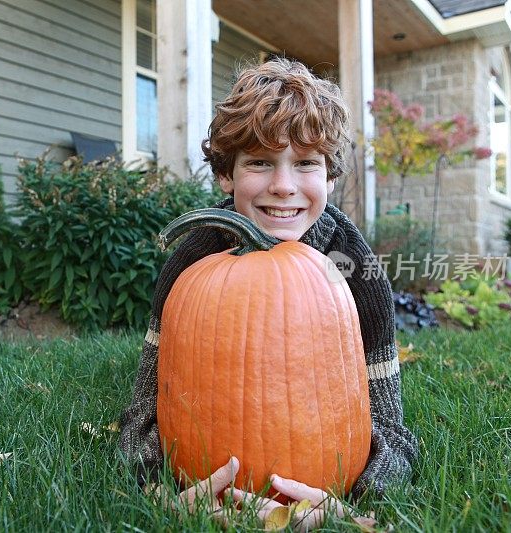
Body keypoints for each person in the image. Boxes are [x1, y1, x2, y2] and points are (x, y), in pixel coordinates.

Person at [118, 57, 418, 529]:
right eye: (259, 162)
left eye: (305, 164)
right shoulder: (194, 258)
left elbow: (390, 429)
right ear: (226, 175)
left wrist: (361, 498)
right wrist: (157, 488)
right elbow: (144, 408)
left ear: (330, 178)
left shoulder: (353, 269)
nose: (283, 186)